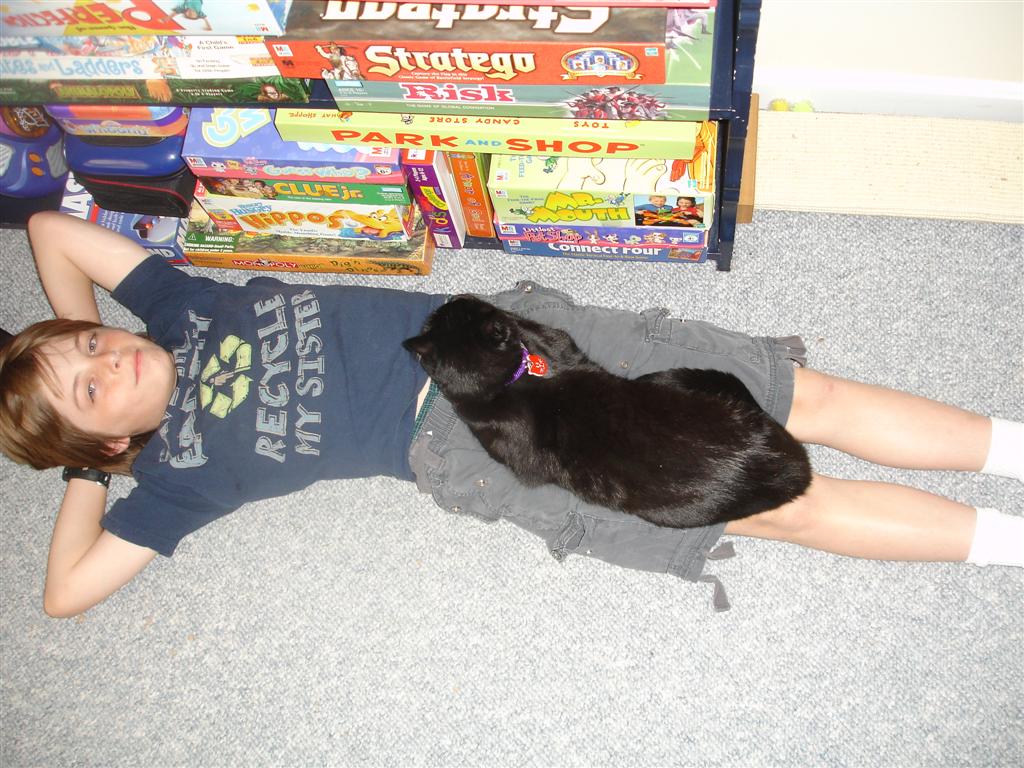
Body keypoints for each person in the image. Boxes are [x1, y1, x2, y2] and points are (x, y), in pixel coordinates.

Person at [1, 213, 1021, 618]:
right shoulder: (177, 475)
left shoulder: (182, 308)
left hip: (508, 341)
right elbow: (65, 592)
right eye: (92, 388)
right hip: (480, 449)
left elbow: (50, 229)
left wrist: (62, 352)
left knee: (802, 396)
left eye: (89, 343)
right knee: (773, 503)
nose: (108, 357)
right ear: (109, 436)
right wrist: (97, 463)